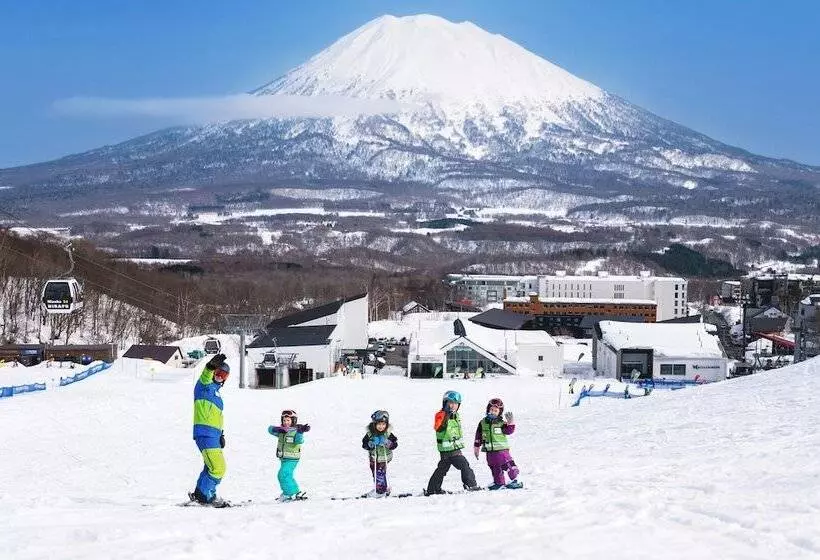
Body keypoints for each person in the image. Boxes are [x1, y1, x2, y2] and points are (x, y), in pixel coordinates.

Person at [190, 353, 230, 506]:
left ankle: (201, 493)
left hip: (213, 434)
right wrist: (210, 366)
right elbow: (206, 375)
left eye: (223, 375)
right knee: (218, 468)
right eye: (218, 373)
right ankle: (205, 496)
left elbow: (217, 416)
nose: (220, 377)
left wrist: (221, 434)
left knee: (210, 466)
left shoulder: (217, 393)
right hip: (205, 433)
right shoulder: (204, 386)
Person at [425, 390, 480, 495]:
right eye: (449, 402)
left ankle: (433, 489)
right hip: (448, 449)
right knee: (464, 465)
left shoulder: (456, 416)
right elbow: (438, 428)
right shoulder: (440, 415)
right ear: (444, 403)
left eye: (455, 403)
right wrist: (446, 416)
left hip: (454, 448)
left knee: (442, 469)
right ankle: (471, 484)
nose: (452, 406)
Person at [473, 398, 522, 490]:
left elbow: (509, 431)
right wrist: (476, 448)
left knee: (507, 464)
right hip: (489, 451)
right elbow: (478, 436)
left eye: (495, 411)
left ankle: (516, 479)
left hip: (502, 451)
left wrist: (510, 423)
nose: (493, 412)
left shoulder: (501, 423)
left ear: (499, 412)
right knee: (494, 466)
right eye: (491, 410)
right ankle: (499, 483)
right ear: (488, 410)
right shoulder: (482, 423)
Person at [268, 409, 310, 501]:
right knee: (286, 475)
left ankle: (289, 493)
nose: (286, 422)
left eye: (288, 420)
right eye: (284, 420)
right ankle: (293, 492)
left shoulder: (295, 431)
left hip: (292, 458)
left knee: (283, 474)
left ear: (293, 421)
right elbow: (270, 429)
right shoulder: (282, 431)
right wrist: (277, 429)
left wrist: (300, 432)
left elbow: (299, 440)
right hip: (284, 458)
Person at [361, 410, 399, 496]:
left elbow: (394, 445)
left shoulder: (388, 434)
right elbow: (364, 444)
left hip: (384, 458)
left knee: (380, 473)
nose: (381, 426)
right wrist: (370, 444)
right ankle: (380, 488)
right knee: (375, 473)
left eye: (383, 424)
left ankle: (380, 491)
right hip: (373, 458)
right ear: (374, 424)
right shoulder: (370, 434)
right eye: (379, 424)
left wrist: (388, 443)